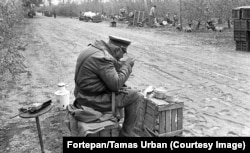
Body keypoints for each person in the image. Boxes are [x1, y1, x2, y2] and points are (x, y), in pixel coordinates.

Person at [73, 35, 143, 137]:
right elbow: (116, 84)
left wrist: (119, 64)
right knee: (135, 96)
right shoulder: (103, 58)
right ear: (118, 49)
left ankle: (119, 123)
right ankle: (126, 134)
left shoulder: (92, 49)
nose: (121, 57)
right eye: (123, 53)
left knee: (126, 89)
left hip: (82, 94)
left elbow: (102, 70)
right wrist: (127, 66)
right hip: (91, 99)